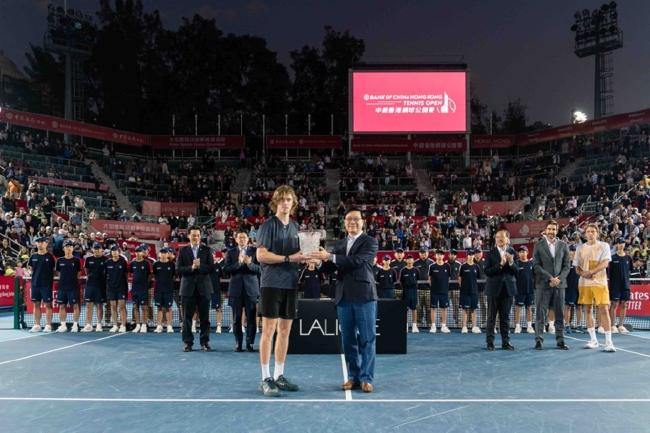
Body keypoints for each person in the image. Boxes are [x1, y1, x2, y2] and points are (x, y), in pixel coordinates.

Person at [310, 208, 379, 393]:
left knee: (367, 340)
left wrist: (330, 257)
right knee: (348, 341)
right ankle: (353, 377)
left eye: (356, 219)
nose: (352, 222)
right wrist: (317, 263)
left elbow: (357, 262)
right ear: (344, 223)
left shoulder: (370, 242)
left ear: (363, 222)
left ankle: (366, 378)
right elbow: (330, 268)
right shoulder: (340, 244)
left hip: (364, 296)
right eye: (348, 220)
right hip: (343, 298)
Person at [255, 185, 306, 397]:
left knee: (285, 332)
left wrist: (309, 258)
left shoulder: (295, 227)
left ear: (293, 203)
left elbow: (298, 255)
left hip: (291, 284)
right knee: (268, 331)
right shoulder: (268, 226)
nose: (286, 203)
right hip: (271, 284)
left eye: (289, 200)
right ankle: (265, 378)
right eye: (282, 199)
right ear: (276, 202)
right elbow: (261, 256)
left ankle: (279, 376)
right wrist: (288, 258)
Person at [574, 224, 615, 352]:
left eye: (593, 231)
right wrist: (584, 274)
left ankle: (609, 342)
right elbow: (577, 267)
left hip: (600, 283)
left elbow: (605, 263)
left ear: (597, 233)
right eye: (588, 231)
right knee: (587, 310)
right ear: (585, 234)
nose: (590, 233)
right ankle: (593, 340)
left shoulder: (604, 246)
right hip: (584, 284)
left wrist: (590, 272)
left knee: (604, 310)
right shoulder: (580, 248)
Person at [532, 220, 571, 350]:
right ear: (545, 230)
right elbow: (536, 266)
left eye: (554, 229)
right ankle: (539, 340)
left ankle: (560, 341)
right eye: (549, 229)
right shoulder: (538, 245)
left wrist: (559, 279)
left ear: (557, 230)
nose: (551, 232)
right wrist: (550, 278)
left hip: (559, 285)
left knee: (560, 314)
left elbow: (567, 266)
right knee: (540, 315)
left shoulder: (563, 245)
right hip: (543, 285)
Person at [177, 226, 214, 352]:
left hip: (204, 288)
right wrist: (191, 268)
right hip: (188, 289)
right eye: (193, 235)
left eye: (198, 235)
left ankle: (205, 342)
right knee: (186, 318)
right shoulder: (182, 251)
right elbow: (178, 269)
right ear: (189, 236)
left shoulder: (207, 250)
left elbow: (211, 268)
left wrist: (200, 266)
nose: (196, 237)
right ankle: (188, 343)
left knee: (205, 318)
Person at [224, 231, 260, 352]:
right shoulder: (230, 252)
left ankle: (250, 343)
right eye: (240, 238)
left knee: (251, 318)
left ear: (248, 239)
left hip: (251, 290)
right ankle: (238, 343)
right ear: (236, 239)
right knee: (236, 319)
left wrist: (249, 264)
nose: (242, 240)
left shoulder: (255, 251)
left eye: (244, 237)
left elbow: (260, 269)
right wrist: (239, 263)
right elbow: (226, 269)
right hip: (236, 290)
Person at [484, 229, 518, 351]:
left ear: (507, 239)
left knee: (505, 318)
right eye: (497, 237)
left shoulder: (513, 252)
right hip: (493, 290)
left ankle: (506, 343)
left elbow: (517, 271)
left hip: (508, 290)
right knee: (491, 317)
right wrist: (500, 264)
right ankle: (490, 343)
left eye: (501, 237)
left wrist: (511, 262)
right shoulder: (490, 253)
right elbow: (487, 272)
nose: (499, 239)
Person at [28, 237, 55, 332]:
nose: (40, 244)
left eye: (42, 242)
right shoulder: (33, 256)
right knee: (36, 305)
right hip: (35, 284)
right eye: (38, 242)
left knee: (48, 305)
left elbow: (54, 270)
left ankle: (48, 325)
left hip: (46, 285)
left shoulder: (50, 257)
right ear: (36, 244)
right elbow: (30, 269)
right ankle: (37, 325)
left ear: (46, 244)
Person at [55, 240, 82, 332]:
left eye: (70, 246)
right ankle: (63, 325)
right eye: (67, 246)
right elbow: (58, 273)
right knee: (62, 306)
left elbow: (78, 274)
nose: (69, 248)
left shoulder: (76, 260)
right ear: (63, 249)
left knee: (75, 306)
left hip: (73, 288)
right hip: (62, 288)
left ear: (73, 248)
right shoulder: (59, 260)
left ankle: (75, 325)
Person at [609, 238, 632, 334]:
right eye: (619, 243)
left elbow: (629, 271)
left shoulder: (628, 258)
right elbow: (609, 273)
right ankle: (613, 325)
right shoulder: (612, 258)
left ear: (624, 244)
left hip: (625, 285)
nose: (621, 245)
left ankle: (621, 325)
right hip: (615, 286)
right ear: (616, 245)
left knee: (624, 304)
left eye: (622, 243)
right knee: (614, 304)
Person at [82, 242, 106, 332]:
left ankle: (99, 324)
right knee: (88, 305)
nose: (96, 250)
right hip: (90, 285)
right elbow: (86, 270)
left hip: (101, 286)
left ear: (101, 250)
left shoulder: (106, 260)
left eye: (98, 248)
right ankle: (89, 324)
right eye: (95, 248)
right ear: (92, 250)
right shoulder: (88, 259)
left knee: (99, 305)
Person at [105, 245, 128, 333]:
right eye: (113, 251)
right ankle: (115, 325)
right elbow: (106, 275)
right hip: (111, 288)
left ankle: (123, 325)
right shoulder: (108, 262)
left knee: (122, 306)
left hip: (121, 287)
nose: (114, 252)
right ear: (111, 252)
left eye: (116, 250)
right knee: (113, 307)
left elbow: (126, 274)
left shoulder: (123, 262)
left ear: (119, 252)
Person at [130, 245, 152, 333]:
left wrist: (146, 284)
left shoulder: (147, 263)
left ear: (142, 253)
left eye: (140, 252)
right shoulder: (132, 263)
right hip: (135, 288)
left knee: (144, 307)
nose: (138, 253)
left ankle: (144, 325)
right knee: (135, 306)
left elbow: (150, 275)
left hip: (143, 288)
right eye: (137, 252)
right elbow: (131, 273)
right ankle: (138, 325)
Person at [428, 249, 451, 333]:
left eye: (441, 255)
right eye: (438, 254)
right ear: (435, 256)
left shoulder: (447, 266)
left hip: (444, 292)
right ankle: (433, 326)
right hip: (434, 292)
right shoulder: (432, 266)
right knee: (433, 308)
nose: (439, 256)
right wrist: (434, 287)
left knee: (444, 308)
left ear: (443, 256)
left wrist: (444, 287)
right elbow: (429, 279)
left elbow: (448, 278)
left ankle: (443, 326)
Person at [153, 247, 175, 333]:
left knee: (168, 308)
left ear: (167, 254)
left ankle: (169, 326)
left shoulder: (171, 264)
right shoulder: (156, 264)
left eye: (164, 253)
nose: (163, 254)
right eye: (161, 253)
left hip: (168, 290)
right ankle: (159, 326)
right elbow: (154, 276)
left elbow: (174, 276)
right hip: (158, 290)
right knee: (159, 308)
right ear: (159, 254)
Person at [513, 246, 535, 334]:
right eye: (520, 252)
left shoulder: (531, 264)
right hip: (519, 290)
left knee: (529, 308)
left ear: (527, 252)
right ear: (518, 254)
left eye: (524, 251)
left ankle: (529, 327)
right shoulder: (516, 263)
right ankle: (517, 326)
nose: (522, 253)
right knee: (518, 308)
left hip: (530, 290)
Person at [459, 249, 480, 333]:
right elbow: (460, 278)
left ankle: (474, 327)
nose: (471, 256)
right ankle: (464, 327)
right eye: (469, 255)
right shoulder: (463, 266)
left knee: (473, 309)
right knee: (465, 309)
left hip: (474, 292)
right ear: (467, 256)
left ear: (473, 256)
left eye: (472, 255)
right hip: (465, 292)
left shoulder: (476, 266)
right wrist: (463, 287)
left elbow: (477, 278)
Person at [414, 247, 433, 328]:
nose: (423, 254)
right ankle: (418, 323)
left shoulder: (432, 263)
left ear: (428, 253)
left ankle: (429, 323)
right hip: (418, 289)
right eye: (422, 253)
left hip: (429, 290)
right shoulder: (415, 263)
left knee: (429, 308)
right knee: (419, 308)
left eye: (425, 253)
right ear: (419, 254)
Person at [399, 255, 420, 332]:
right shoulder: (403, 270)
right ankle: (406, 325)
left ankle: (414, 326)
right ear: (406, 261)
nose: (410, 261)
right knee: (405, 309)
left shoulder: (416, 270)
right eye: (408, 260)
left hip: (414, 291)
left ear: (413, 261)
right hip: (406, 292)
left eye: (411, 260)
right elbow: (401, 281)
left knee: (414, 309)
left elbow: (418, 279)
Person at [564, 245, 581, 334]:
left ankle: (578, 326)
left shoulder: (579, 263)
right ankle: (567, 325)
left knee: (579, 307)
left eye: (574, 250)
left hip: (579, 288)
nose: (573, 252)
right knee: (568, 306)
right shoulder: (566, 263)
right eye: (571, 250)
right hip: (569, 288)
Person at [210, 251, 224, 334]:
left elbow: (222, 277)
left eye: (213, 256)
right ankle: (204, 325)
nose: (212, 257)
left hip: (216, 290)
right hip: (206, 291)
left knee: (218, 308)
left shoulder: (218, 266)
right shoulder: (206, 267)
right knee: (203, 309)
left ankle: (219, 326)